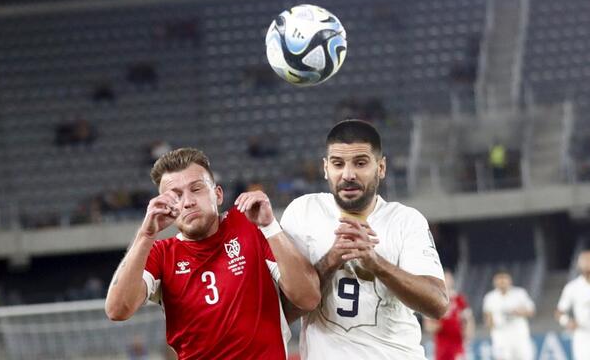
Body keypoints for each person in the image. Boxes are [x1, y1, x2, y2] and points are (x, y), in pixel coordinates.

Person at [105, 147, 320, 359]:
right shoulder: (160, 254)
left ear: (218, 194)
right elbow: (117, 310)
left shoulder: (251, 225)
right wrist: (145, 235)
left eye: (196, 189)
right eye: (175, 196)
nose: (188, 202)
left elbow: (308, 298)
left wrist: (271, 226)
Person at [280, 119, 449, 359]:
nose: (348, 174)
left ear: (381, 167)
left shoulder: (405, 220)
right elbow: (284, 311)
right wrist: (330, 261)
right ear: (325, 168)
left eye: (360, 163)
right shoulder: (303, 213)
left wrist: (376, 264)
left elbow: (438, 304)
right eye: (338, 164)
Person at [483, 270, 535, 360]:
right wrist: (491, 325)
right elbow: (488, 316)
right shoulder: (490, 297)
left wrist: (518, 312)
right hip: (500, 336)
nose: (502, 281)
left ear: (510, 280)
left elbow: (531, 311)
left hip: (519, 335)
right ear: (494, 281)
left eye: (504, 278)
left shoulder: (520, 293)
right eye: (499, 279)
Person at [424, 270, 475, 360]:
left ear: (452, 280)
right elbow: (428, 326)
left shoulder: (459, 299)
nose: (447, 281)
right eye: (444, 278)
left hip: (457, 344)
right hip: (442, 346)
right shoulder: (434, 300)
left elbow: (468, 319)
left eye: (448, 278)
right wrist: (443, 323)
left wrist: (468, 334)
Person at [555, 250, 590, 360]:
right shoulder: (572, 287)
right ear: (579, 265)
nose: (587, 263)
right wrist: (567, 321)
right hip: (583, 335)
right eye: (584, 261)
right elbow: (559, 312)